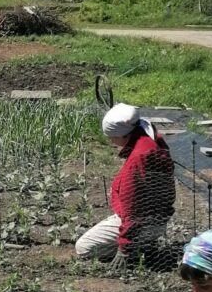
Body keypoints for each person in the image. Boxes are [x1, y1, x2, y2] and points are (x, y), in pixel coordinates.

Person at [74, 103, 176, 269]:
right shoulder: (150, 140)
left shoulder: (139, 158)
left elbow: (134, 210)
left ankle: (138, 247)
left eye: (111, 137)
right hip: (158, 221)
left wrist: (125, 247)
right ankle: (144, 243)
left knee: (83, 248)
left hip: (142, 224)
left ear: (124, 135)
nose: (111, 141)